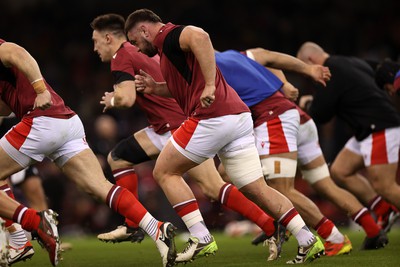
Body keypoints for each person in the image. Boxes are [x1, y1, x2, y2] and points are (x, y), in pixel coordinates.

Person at [125, 8, 324, 264]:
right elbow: (184, 89)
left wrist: (210, 84)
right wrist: (155, 88)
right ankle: (308, 239)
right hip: (238, 118)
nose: (137, 49)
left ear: (144, 30)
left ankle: (200, 236)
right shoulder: (168, 52)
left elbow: (201, 37)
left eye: (135, 42)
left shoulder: (168, 35)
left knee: (164, 171)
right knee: (256, 188)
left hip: (212, 118)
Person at [90, 13, 283, 261]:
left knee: (212, 187)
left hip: (179, 125)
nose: (95, 48)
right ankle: (132, 225)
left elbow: (127, 98)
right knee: (118, 157)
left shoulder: (121, 56)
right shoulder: (144, 51)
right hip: (163, 126)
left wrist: (113, 99)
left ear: (108, 38)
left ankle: (267, 225)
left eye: (96, 41)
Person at [0, 39, 178, 267]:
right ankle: (157, 229)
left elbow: (20, 53)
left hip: (40, 121)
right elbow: (5, 106)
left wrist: (40, 89)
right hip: (67, 122)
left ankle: (33, 225)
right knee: (99, 187)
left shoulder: (3, 48)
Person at [241, 47, 389, 251]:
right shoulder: (240, 58)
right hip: (299, 118)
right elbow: (267, 57)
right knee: (325, 185)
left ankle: (328, 236)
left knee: (279, 188)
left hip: (275, 119)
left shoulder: (217, 67)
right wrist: (285, 83)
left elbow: (266, 57)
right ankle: (372, 230)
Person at [296, 42, 400, 248]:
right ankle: (383, 210)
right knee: (340, 171)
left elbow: (321, 113)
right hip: (366, 129)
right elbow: (382, 70)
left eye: (304, 68)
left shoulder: (330, 73)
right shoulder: (349, 61)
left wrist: (308, 102)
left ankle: (386, 208)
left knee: (385, 186)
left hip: (380, 127)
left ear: (310, 61)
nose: (306, 74)